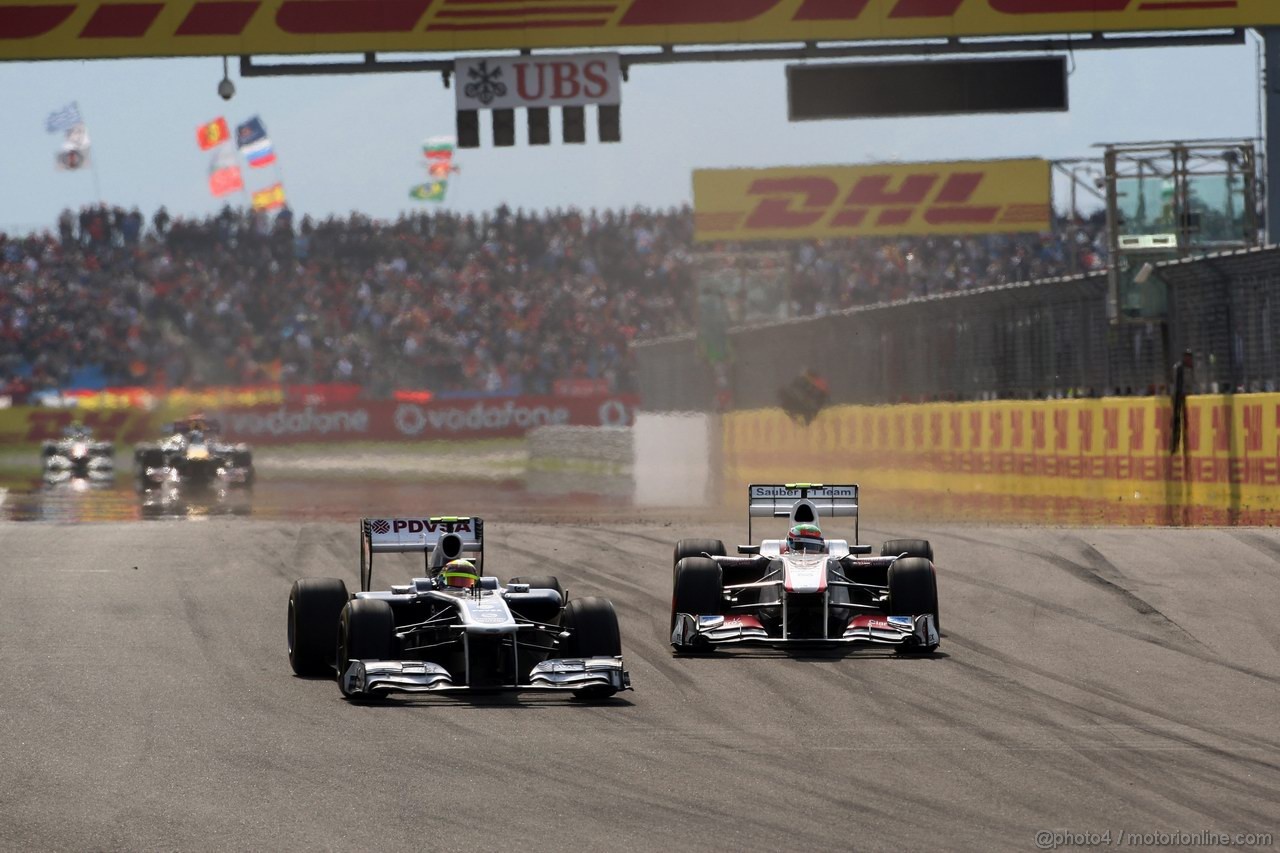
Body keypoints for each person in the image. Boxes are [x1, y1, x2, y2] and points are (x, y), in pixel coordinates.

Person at [1170, 349, 1194, 455]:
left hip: (1183, 395)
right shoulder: (1179, 368)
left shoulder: (1190, 368)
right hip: (1178, 396)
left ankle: (1181, 442)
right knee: (1177, 420)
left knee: (1183, 421)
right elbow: (1178, 385)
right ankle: (1175, 444)